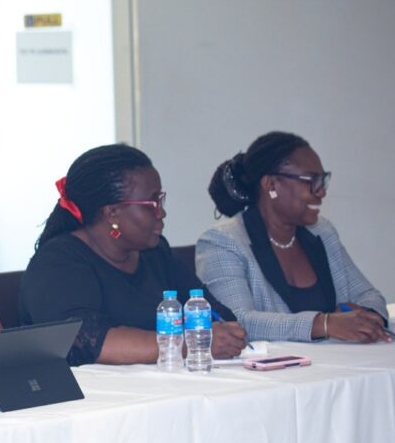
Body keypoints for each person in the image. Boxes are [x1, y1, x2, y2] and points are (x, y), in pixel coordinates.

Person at [18, 144, 248, 366]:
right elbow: (88, 342)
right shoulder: (58, 262)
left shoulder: (155, 254)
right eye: (152, 203)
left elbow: (214, 313)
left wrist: (224, 334)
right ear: (112, 213)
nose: (162, 212)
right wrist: (189, 344)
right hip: (89, 391)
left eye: (160, 200)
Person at [197, 131, 388, 343]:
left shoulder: (322, 231)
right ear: (271, 185)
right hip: (277, 364)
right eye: (311, 181)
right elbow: (236, 322)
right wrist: (323, 324)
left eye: (323, 180)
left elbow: (370, 296)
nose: (321, 192)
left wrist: (365, 316)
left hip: (341, 360)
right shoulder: (224, 241)